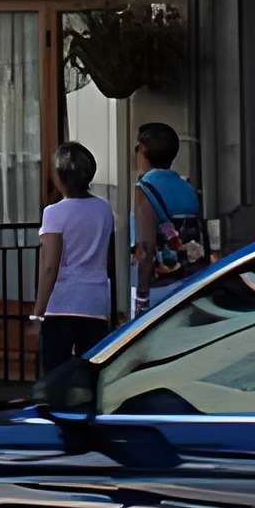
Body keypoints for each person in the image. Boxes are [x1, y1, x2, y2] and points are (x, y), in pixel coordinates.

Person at [35, 141, 115, 376]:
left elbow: (50, 266)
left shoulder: (54, 213)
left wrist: (38, 309)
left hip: (62, 302)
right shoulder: (103, 209)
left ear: (59, 176)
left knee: (56, 373)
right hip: (95, 302)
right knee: (91, 372)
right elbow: (108, 258)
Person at [129, 121, 207, 306]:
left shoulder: (145, 188)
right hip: (189, 285)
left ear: (144, 150)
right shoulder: (188, 188)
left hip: (157, 287)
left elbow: (146, 249)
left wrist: (141, 298)